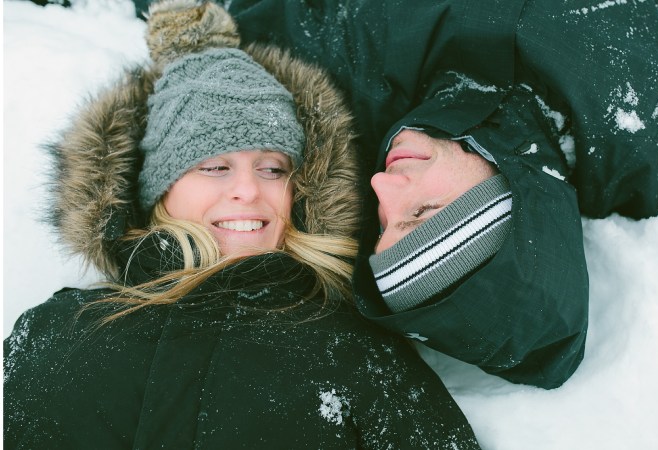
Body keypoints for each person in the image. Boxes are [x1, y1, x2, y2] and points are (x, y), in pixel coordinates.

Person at [131, 0, 658, 389]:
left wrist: (205, 32)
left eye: (385, 221)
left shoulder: (369, 118)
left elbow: (290, 29)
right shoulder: (636, 122)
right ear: (508, 203)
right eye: (423, 212)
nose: (387, 184)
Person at [3, 3, 481, 448]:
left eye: (273, 169)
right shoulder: (53, 332)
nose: (250, 191)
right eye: (214, 167)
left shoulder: (355, 352)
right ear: (158, 190)